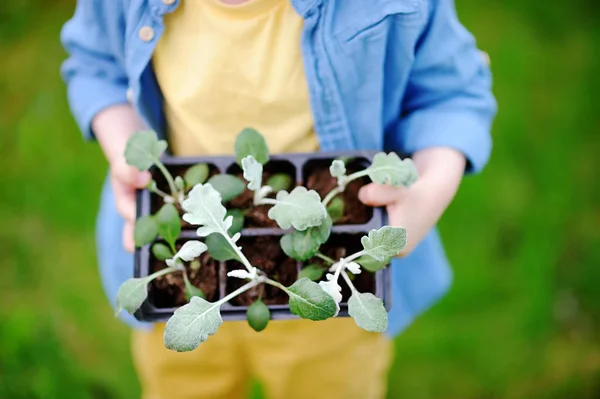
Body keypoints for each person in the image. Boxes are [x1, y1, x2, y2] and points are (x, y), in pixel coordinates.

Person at [60, 0, 496, 398]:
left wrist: (431, 187)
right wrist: (124, 145)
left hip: (331, 305)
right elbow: (95, 63)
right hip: (181, 283)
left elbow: (452, 93)